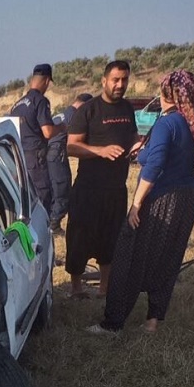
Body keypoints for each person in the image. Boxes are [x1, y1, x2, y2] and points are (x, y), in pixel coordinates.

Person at [88, 69, 194, 335]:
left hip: (161, 199)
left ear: (167, 94)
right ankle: (152, 321)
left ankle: (112, 323)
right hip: (187, 199)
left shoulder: (166, 123)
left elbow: (156, 165)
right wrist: (146, 150)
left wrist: (136, 204)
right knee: (168, 258)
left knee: (128, 256)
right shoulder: (190, 122)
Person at [65, 60, 141, 298]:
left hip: (116, 189)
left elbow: (132, 135)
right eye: (116, 79)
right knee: (78, 238)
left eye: (124, 79)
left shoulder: (127, 109)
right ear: (104, 81)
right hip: (88, 189)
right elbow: (71, 147)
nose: (120, 84)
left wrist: (137, 145)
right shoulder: (88, 110)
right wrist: (100, 150)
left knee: (112, 240)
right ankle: (76, 288)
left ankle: (105, 288)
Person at [9, 64, 65, 214]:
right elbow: (47, 132)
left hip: (17, 159)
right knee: (42, 200)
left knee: (23, 200)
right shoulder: (40, 101)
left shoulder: (17, 105)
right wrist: (61, 127)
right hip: (36, 161)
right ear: (47, 81)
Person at [46, 93, 93, 234]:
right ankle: (54, 224)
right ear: (83, 105)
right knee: (63, 188)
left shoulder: (64, 113)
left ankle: (51, 221)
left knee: (54, 188)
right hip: (57, 153)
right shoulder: (75, 116)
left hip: (50, 153)